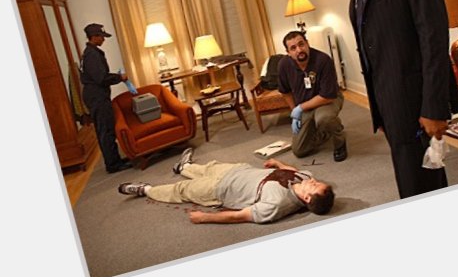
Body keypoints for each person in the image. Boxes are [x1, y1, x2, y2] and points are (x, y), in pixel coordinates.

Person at [334, 0, 458, 198]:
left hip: (417, 102)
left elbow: (432, 35)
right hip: (390, 104)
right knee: (416, 179)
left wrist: (433, 106)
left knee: (420, 185)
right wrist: (380, 110)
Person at [118, 148, 335, 224]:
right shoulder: (305, 176)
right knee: (207, 168)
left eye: (314, 185)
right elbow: (294, 170)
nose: (313, 180)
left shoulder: (277, 204)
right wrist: (278, 163)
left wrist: (205, 218)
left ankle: (145, 189)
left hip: (219, 190)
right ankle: (184, 167)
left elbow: (240, 216)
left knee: (182, 190)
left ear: (307, 199)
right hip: (237, 171)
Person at [278, 30, 347, 162]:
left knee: (325, 118)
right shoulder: (284, 65)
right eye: (293, 48)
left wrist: (300, 108)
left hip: (327, 100)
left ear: (307, 43)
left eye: (301, 44)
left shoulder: (323, 60)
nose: (299, 50)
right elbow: (285, 92)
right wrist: (294, 112)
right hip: (305, 105)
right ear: (288, 52)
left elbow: (328, 96)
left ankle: (339, 141)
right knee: (299, 150)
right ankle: (324, 132)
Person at [80, 23, 132, 173]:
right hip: (97, 97)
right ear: (94, 37)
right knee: (106, 130)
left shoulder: (91, 52)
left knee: (106, 128)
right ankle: (113, 164)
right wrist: (119, 77)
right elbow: (101, 78)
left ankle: (114, 160)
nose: (103, 39)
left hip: (96, 95)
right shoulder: (92, 55)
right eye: (101, 36)